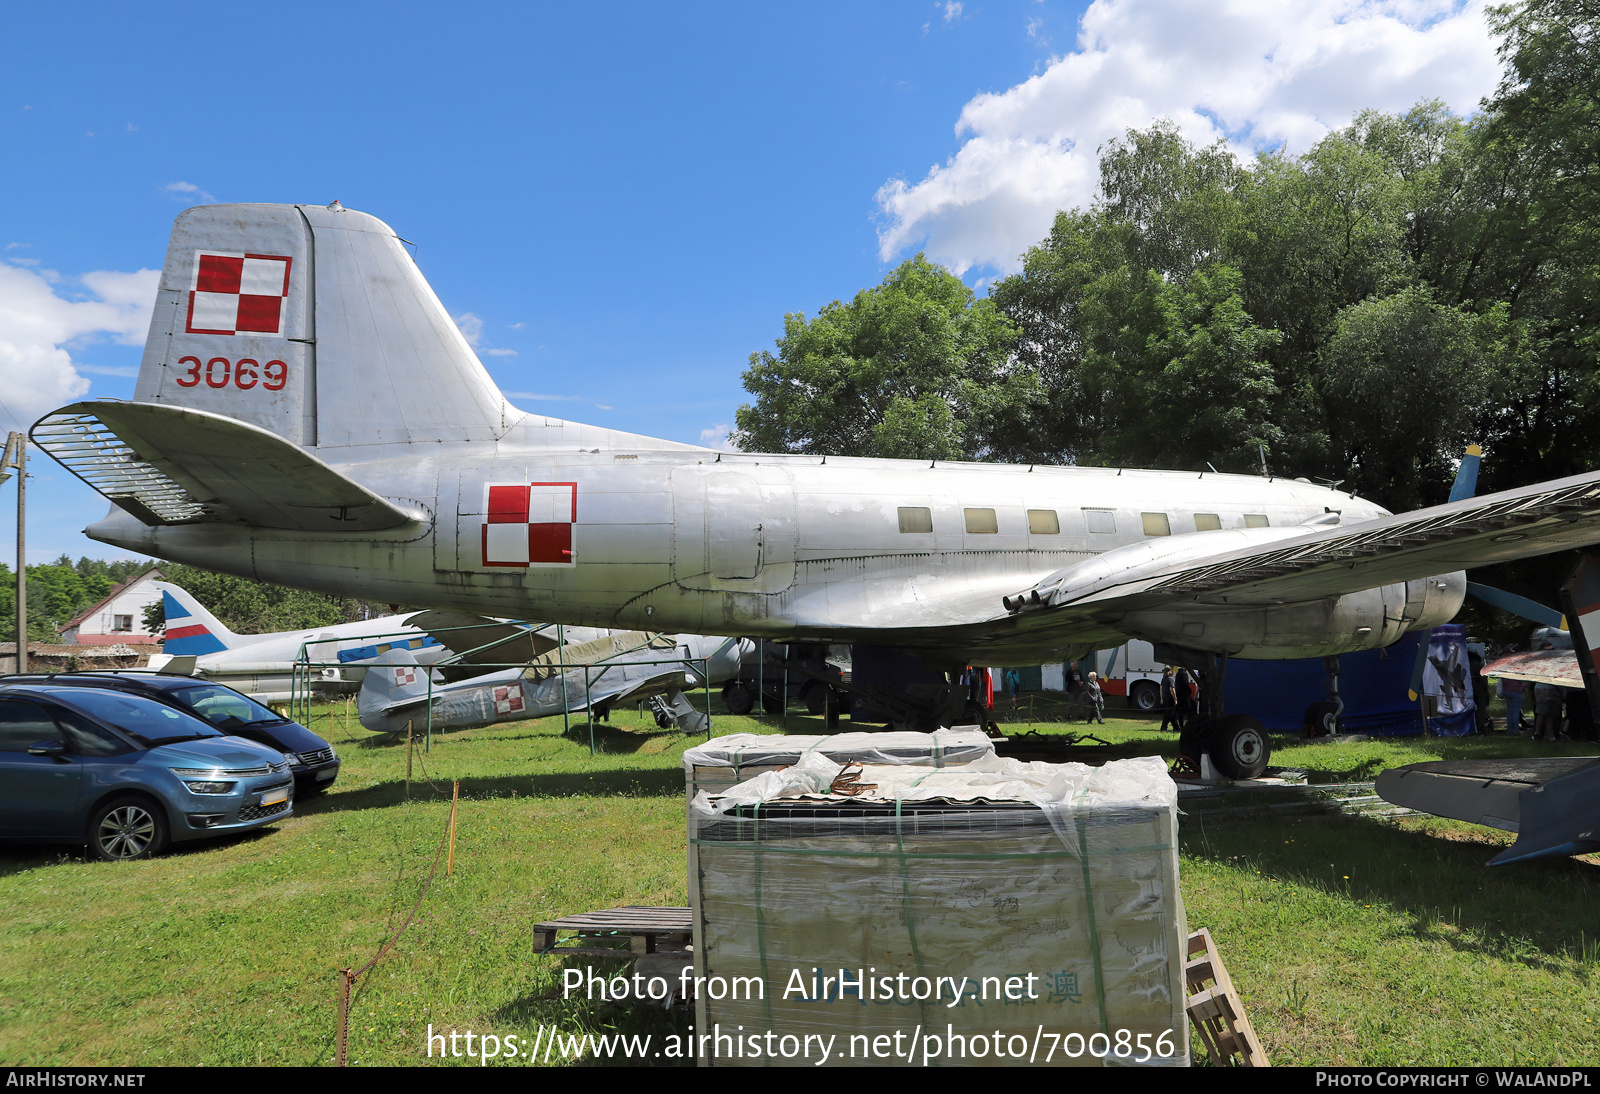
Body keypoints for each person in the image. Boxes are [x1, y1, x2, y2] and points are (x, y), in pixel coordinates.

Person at [1159, 667, 1181, 732]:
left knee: (1172, 713)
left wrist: (1161, 698)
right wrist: (1175, 699)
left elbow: (1161, 688)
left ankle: (1176, 728)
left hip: (1165, 698)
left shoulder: (1164, 679)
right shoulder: (1171, 679)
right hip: (1170, 698)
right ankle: (1164, 727)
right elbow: (1172, 689)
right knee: (1169, 713)